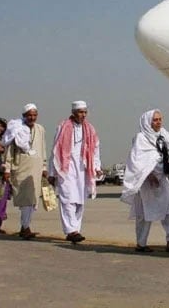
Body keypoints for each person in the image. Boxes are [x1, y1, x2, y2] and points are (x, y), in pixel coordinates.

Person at [121, 110, 169, 253]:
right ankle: (141, 244)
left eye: (160, 119)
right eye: (155, 120)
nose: (159, 122)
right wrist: (148, 175)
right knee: (145, 213)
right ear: (148, 122)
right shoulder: (141, 138)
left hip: (163, 179)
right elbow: (137, 161)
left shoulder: (164, 135)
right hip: (147, 182)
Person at [49, 101, 102, 244]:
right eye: (80, 112)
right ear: (73, 112)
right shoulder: (63, 126)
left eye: (85, 112)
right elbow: (55, 150)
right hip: (65, 168)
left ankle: (76, 230)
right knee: (67, 198)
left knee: (80, 200)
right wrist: (52, 173)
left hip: (83, 168)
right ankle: (70, 230)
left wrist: (97, 166)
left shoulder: (90, 129)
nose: (83, 115)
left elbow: (95, 149)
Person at [3, 103, 47, 240]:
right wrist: (7, 168)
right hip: (21, 168)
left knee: (33, 200)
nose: (32, 118)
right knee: (25, 199)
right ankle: (25, 227)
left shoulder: (40, 129)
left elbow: (42, 148)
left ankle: (25, 226)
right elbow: (9, 151)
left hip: (36, 168)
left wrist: (44, 167)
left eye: (34, 115)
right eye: (29, 115)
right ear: (24, 116)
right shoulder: (17, 129)